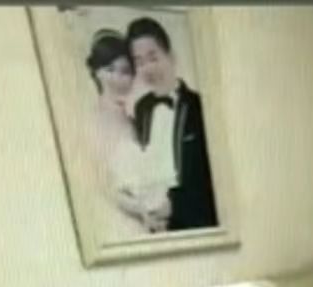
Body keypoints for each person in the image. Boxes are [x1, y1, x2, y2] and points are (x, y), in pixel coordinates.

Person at [126, 16, 219, 231]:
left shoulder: (200, 106)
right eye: (139, 62)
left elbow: (212, 181)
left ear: (171, 56)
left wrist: (174, 206)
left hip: (195, 226)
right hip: (154, 226)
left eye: (153, 58)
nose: (148, 69)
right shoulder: (142, 109)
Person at [83, 30, 173, 237]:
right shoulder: (94, 121)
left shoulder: (136, 118)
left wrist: (158, 206)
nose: (118, 79)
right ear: (96, 73)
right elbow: (101, 185)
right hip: (119, 221)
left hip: (151, 219)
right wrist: (140, 210)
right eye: (110, 70)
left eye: (125, 71)